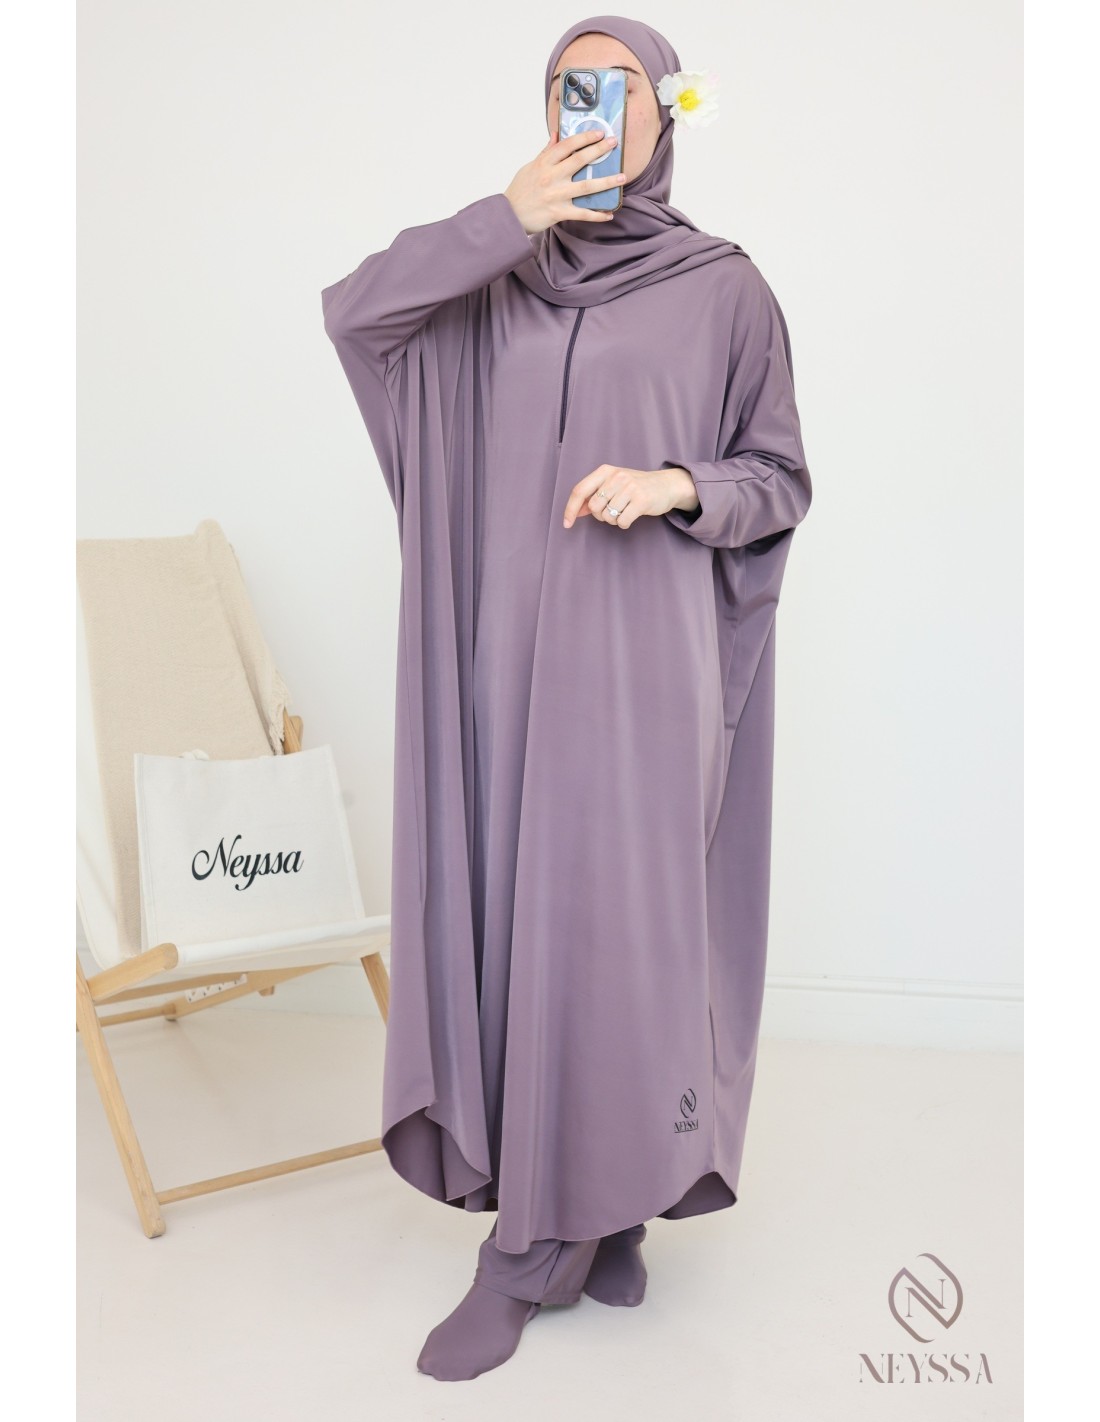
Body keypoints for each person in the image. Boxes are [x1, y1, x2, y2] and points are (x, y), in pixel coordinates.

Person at [321, 14, 812, 1382]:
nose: (586, 109)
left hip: (642, 675)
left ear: (667, 114)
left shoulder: (724, 290)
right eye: (564, 88)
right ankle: (590, 1216)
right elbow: (357, 317)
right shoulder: (499, 279)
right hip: (503, 673)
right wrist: (502, 219)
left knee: (614, 937)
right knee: (522, 927)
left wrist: (676, 484)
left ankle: (546, 1237)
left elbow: (780, 476)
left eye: (615, 88)